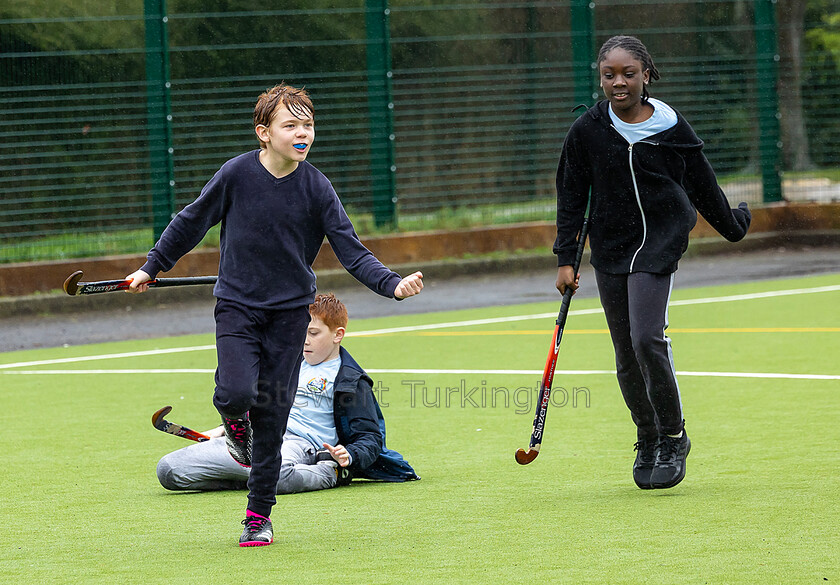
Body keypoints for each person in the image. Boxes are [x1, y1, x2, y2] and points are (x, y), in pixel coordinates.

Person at [125, 84, 424, 546]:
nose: (302, 133)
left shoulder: (317, 186)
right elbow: (192, 220)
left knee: (272, 419)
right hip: (237, 307)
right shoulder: (236, 174)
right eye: (291, 125)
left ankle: (258, 516)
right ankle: (233, 428)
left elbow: (350, 248)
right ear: (264, 132)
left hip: (289, 315)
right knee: (234, 391)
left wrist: (391, 284)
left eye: (308, 125)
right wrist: (152, 265)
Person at [553, 36, 751, 490]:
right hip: (611, 247)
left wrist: (733, 225)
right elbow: (570, 197)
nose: (618, 82)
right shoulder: (586, 130)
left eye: (628, 74)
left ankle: (673, 434)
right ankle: (647, 436)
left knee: (646, 339)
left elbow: (702, 185)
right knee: (625, 354)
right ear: (601, 78)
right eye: (609, 75)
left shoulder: (670, 126)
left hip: (659, 242)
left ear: (647, 75)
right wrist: (566, 259)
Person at [156, 293, 419, 496]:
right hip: (258, 438)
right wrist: (224, 429)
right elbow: (258, 405)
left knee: (276, 475)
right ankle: (253, 479)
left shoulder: (350, 379)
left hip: (301, 446)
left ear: (338, 334)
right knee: (169, 471)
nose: (304, 340)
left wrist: (349, 456)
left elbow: (370, 436)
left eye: (313, 333)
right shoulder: (285, 362)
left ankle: (331, 474)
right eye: (300, 331)